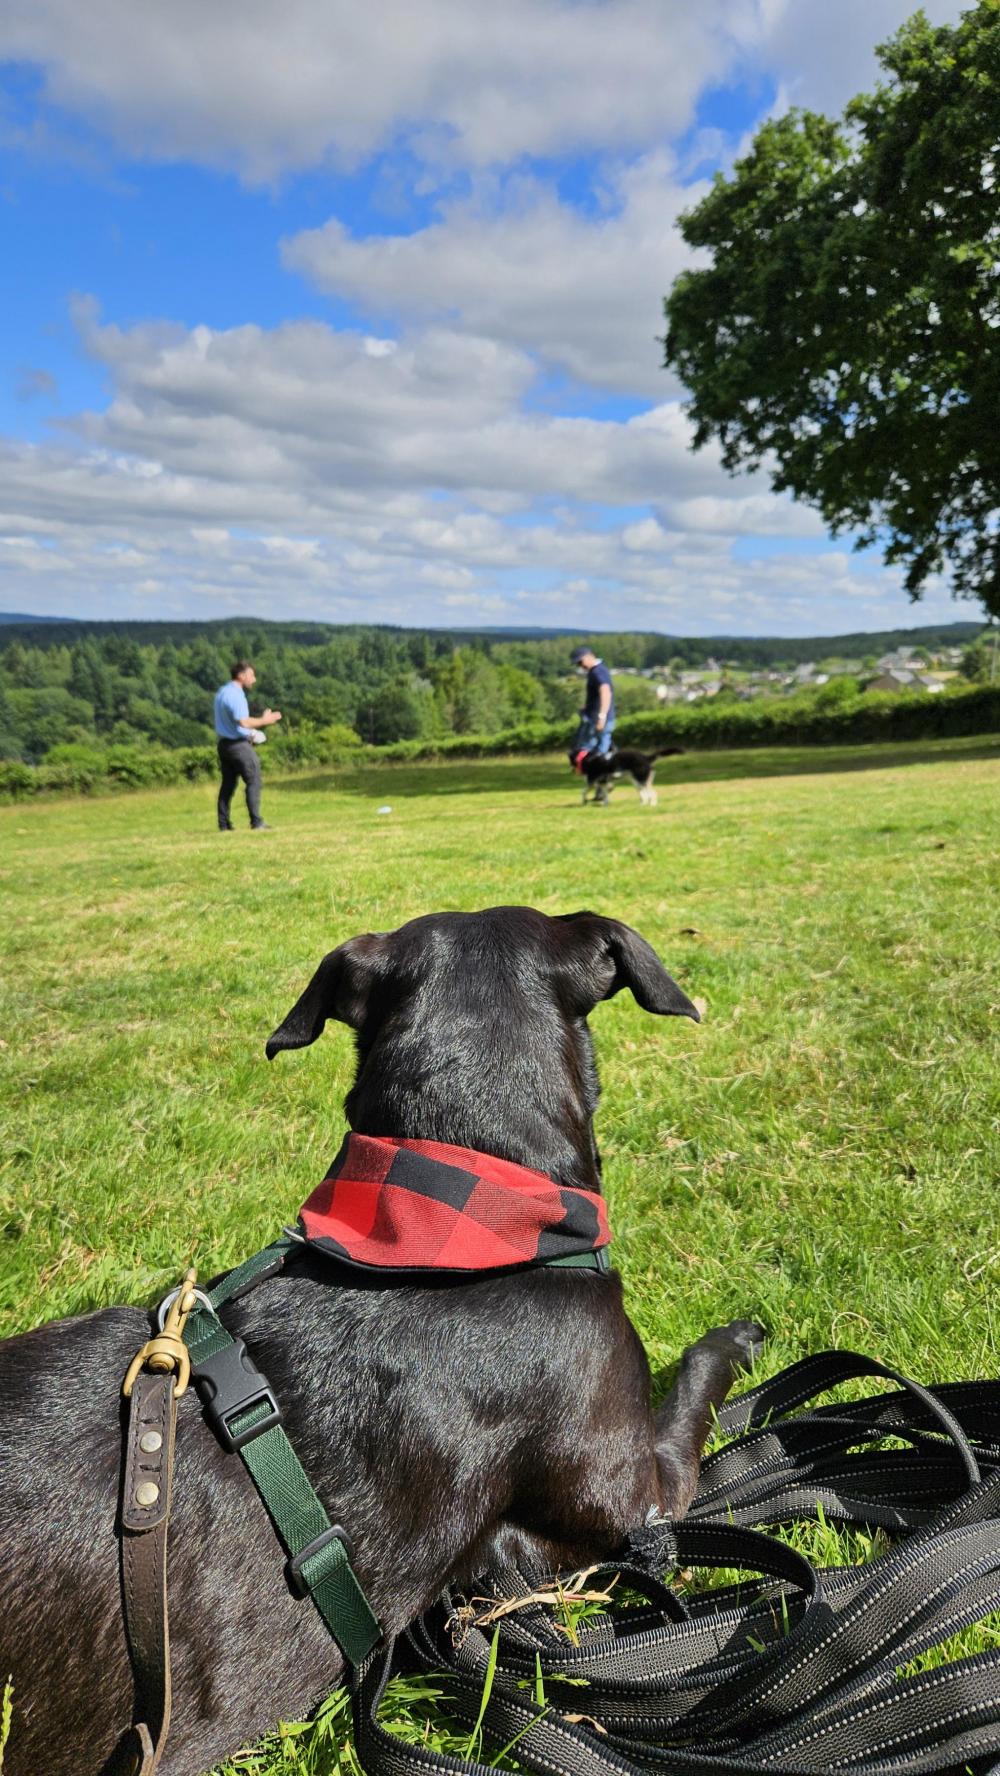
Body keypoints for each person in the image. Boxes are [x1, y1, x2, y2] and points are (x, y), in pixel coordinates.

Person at [213, 661, 282, 831]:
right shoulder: (236, 695)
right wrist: (264, 721)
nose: (254, 679)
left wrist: (251, 734)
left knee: (227, 785)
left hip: (224, 745)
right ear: (241, 676)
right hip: (238, 747)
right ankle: (256, 822)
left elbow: (233, 723)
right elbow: (243, 722)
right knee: (254, 780)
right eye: (251, 675)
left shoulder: (222, 692)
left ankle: (224, 825)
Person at [570, 644, 615, 760]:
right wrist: (588, 706)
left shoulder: (597, 672)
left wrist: (602, 716)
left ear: (589, 656)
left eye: (581, 662)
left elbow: (605, 692)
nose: (580, 666)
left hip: (597, 719)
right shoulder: (599, 670)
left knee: (589, 747)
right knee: (603, 745)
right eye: (578, 664)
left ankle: (593, 771)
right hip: (599, 716)